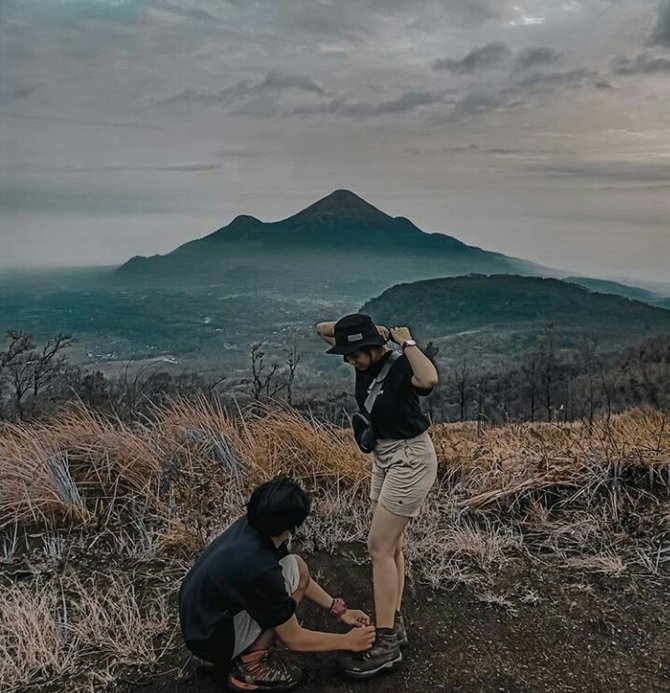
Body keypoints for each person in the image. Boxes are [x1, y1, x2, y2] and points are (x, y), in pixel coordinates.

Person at [315, 313, 439, 680]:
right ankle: (394, 623)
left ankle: (385, 644)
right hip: (384, 457)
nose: (348, 361)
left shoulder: (399, 367)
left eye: (354, 355)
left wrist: (405, 341)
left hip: (410, 459)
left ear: (371, 350)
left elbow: (429, 378)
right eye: (347, 355)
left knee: (378, 547)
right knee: (393, 547)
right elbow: (321, 329)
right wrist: (372, 332)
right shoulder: (363, 357)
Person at [178, 475, 375, 692]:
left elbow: (299, 575)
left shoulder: (252, 525)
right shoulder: (260, 569)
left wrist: (338, 609)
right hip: (211, 640)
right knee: (285, 587)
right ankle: (251, 666)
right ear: (291, 525)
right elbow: (294, 639)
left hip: (201, 624)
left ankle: (215, 656)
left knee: (294, 566)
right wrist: (347, 641)